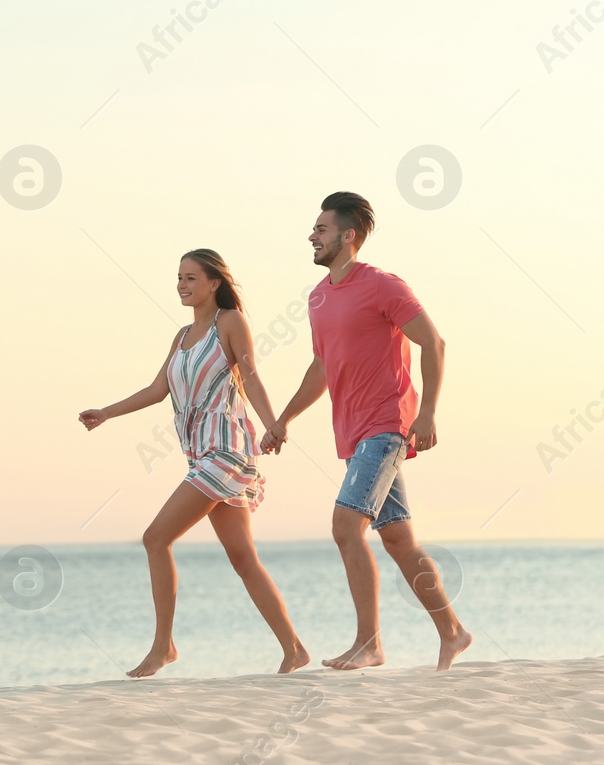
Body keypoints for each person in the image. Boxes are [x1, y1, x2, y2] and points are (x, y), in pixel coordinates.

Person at [262, 192, 472, 671]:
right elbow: (321, 367)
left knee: (345, 525)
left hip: (387, 424)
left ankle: (368, 643)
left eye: (321, 229)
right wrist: (283, 420)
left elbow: (433, 342)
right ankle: (453, 632)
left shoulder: (382, 286)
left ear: (347, 235)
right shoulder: (318, 296)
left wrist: (429, 412)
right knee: (398, 540)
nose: (312, 236)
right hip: (355, 433)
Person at [79, 249, 309, 677]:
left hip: (226, 452)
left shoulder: (229, 323)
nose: (182, 285)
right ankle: (294, 649)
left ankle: (163, 646)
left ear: (213, 282)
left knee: (155, 539)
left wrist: (273, 423)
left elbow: (251, 375)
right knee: (242, 557)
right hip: (200, 455)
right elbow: (156, 390)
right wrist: (107, 412)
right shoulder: (183, 335)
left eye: (190, 277)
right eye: (178, 278)